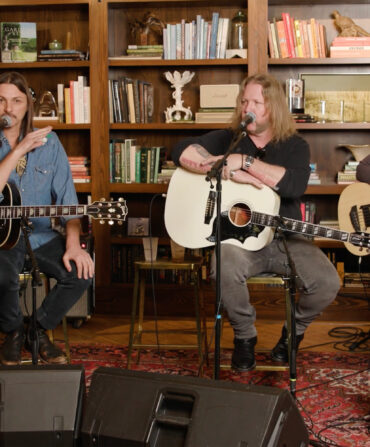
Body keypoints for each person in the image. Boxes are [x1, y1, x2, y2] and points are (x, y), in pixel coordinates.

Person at [171, 73, 341, 371]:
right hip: (241, 242)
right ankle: (245, 338)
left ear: (272, 107)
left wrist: (245, 162)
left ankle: (293, 333)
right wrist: (228, 170)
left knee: (327, 282)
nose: (246, 107)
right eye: (244, 100)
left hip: (287, 238)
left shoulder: (294, 145)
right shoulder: (230, 138)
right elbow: (180, 151)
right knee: (222, 266)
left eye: (255, 102)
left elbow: (293, 186)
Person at [0, 72, 94, 365]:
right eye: (1, 101)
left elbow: (68, 201)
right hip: (3, 239)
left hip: (40, 236)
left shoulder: (51, 143)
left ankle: (37, 330)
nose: (8, 109)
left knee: (80, 273)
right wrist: (18, 150)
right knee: (3, 279)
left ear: (27, 105)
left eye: (16, 101)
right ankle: (12, 331)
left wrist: (74, 244)